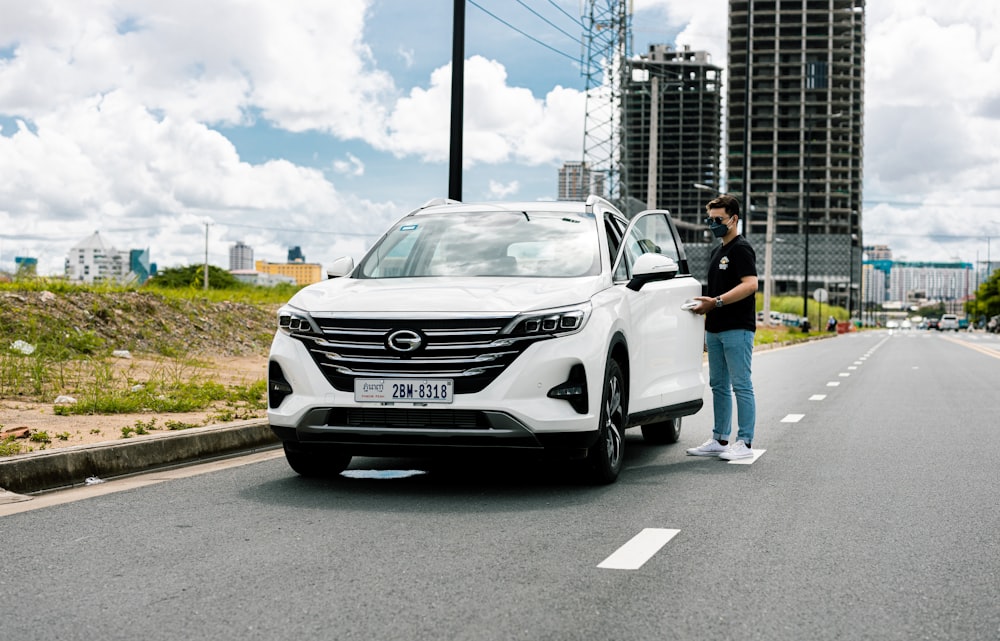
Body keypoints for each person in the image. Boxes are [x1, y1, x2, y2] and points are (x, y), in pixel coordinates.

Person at [685, 194, 759, 460]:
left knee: (741, 384)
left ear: (734, 219)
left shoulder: (741, 248)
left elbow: (750, 284)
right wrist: (706, 325)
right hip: (715, 329)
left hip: (737, 327)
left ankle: (745, 441)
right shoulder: (717, 251)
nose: (713, 224)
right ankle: (720, 438)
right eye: (710, 219)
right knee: (718, 385)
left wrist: (716, 303)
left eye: (719, 219)